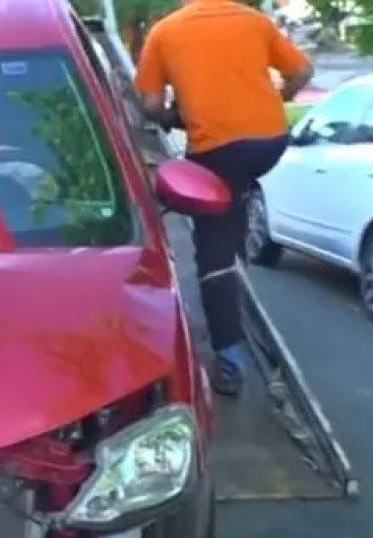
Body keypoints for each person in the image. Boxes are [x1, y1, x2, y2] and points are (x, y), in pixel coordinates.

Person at [135, 0, 314, 397]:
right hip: (271, 141)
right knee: (232, 194)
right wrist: (280, 95)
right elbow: (301, 70)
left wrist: (171, 118)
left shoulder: (165, 31)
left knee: (212, 252)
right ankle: (238, 223)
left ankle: (231, 360)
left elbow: (149, 104)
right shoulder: (254, 21)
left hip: (218, 150)